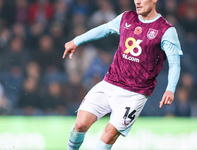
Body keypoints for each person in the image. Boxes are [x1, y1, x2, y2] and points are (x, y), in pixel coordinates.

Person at [63, 0, 183, 149]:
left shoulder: (166, 30)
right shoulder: (126, 18)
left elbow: (174, 63)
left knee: (108, 135)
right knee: (80, 125)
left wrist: (170, 89)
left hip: (134, 94)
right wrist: (76, 41)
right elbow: (104, 29)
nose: (137, 2)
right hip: (110, 83)